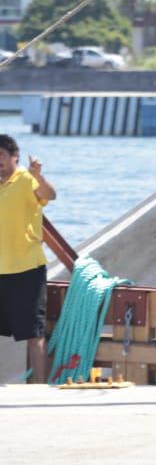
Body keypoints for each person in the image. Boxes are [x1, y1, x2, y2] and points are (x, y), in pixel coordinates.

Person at [0, 133, 57, 383]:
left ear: (15, 157)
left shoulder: (26, 179)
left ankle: (40, 389)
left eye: (1, 155)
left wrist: (38, 175)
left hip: (26, 269)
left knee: (34, 334)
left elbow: (50, 194)